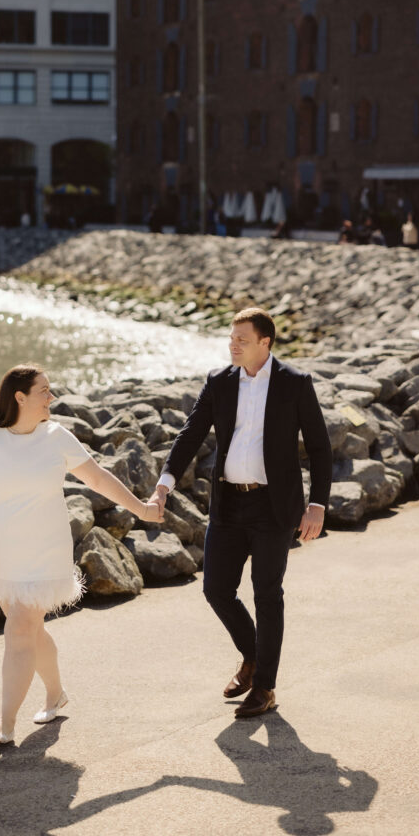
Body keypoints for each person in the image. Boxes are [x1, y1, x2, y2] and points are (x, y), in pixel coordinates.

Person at [0, 364, 163, 745]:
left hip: (45, 547)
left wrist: (142, 509)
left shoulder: (57, 436)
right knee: (29, 628)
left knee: (19, 628)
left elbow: (99, 478)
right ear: (19, 397)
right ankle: (55, 693)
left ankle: (5, 724)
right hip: (1, 549)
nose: (52, 397)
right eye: (44, 391)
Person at [148, 307, 332, 718]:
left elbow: (319, 447)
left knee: (268, 594)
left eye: (242, 339)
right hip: (229, 503)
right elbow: (191, 433)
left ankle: (264, 686)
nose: (233, 344)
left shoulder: (295, 384)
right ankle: (253, 658)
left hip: (274, 507)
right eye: (231, 338)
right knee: (216, 589)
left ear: (265, 343)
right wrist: (164, 484)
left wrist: (317, 503)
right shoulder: (219, 381)